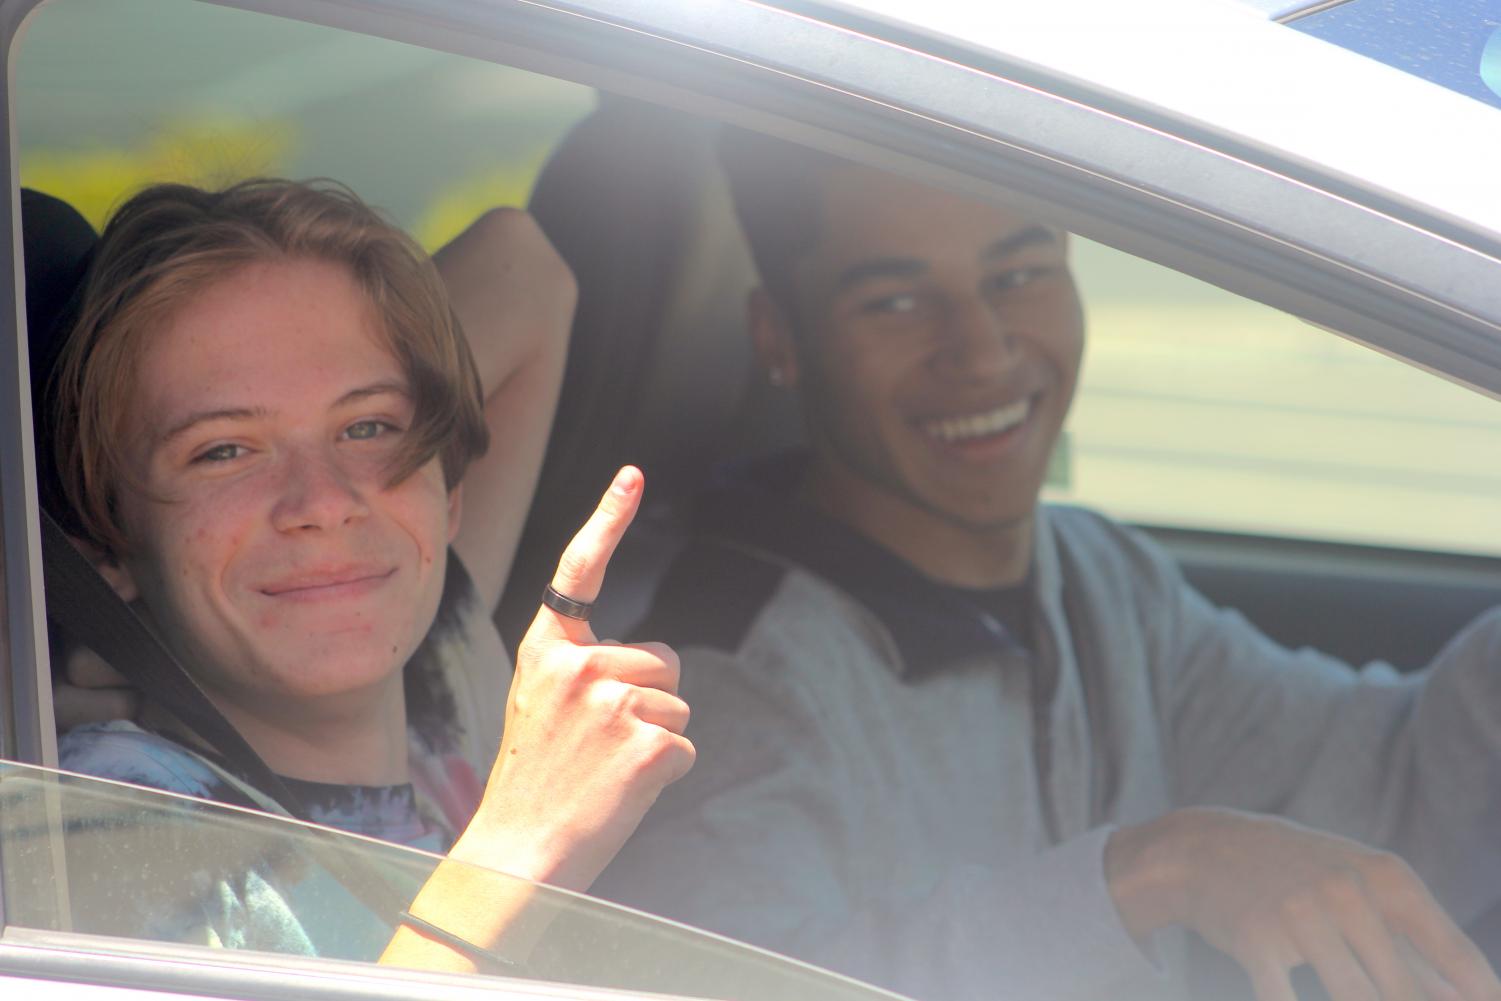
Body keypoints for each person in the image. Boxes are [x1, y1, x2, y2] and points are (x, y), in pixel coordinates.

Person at [587, 133, 1501, 1001]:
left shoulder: (1098, 577)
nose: (982, 349)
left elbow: (1387, 791)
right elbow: (735, 981)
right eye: (895, 302)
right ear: (779, 338)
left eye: (1018, 276)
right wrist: (1149, 873)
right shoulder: (707, 681)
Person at [36, 179, 694, 971]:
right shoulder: (111, 817)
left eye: (368, 427)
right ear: (106, 546)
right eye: (222, 449)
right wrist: (522, 841)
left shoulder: (444, 677)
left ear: (449, 492)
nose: (324, 502)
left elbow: (525, 269)